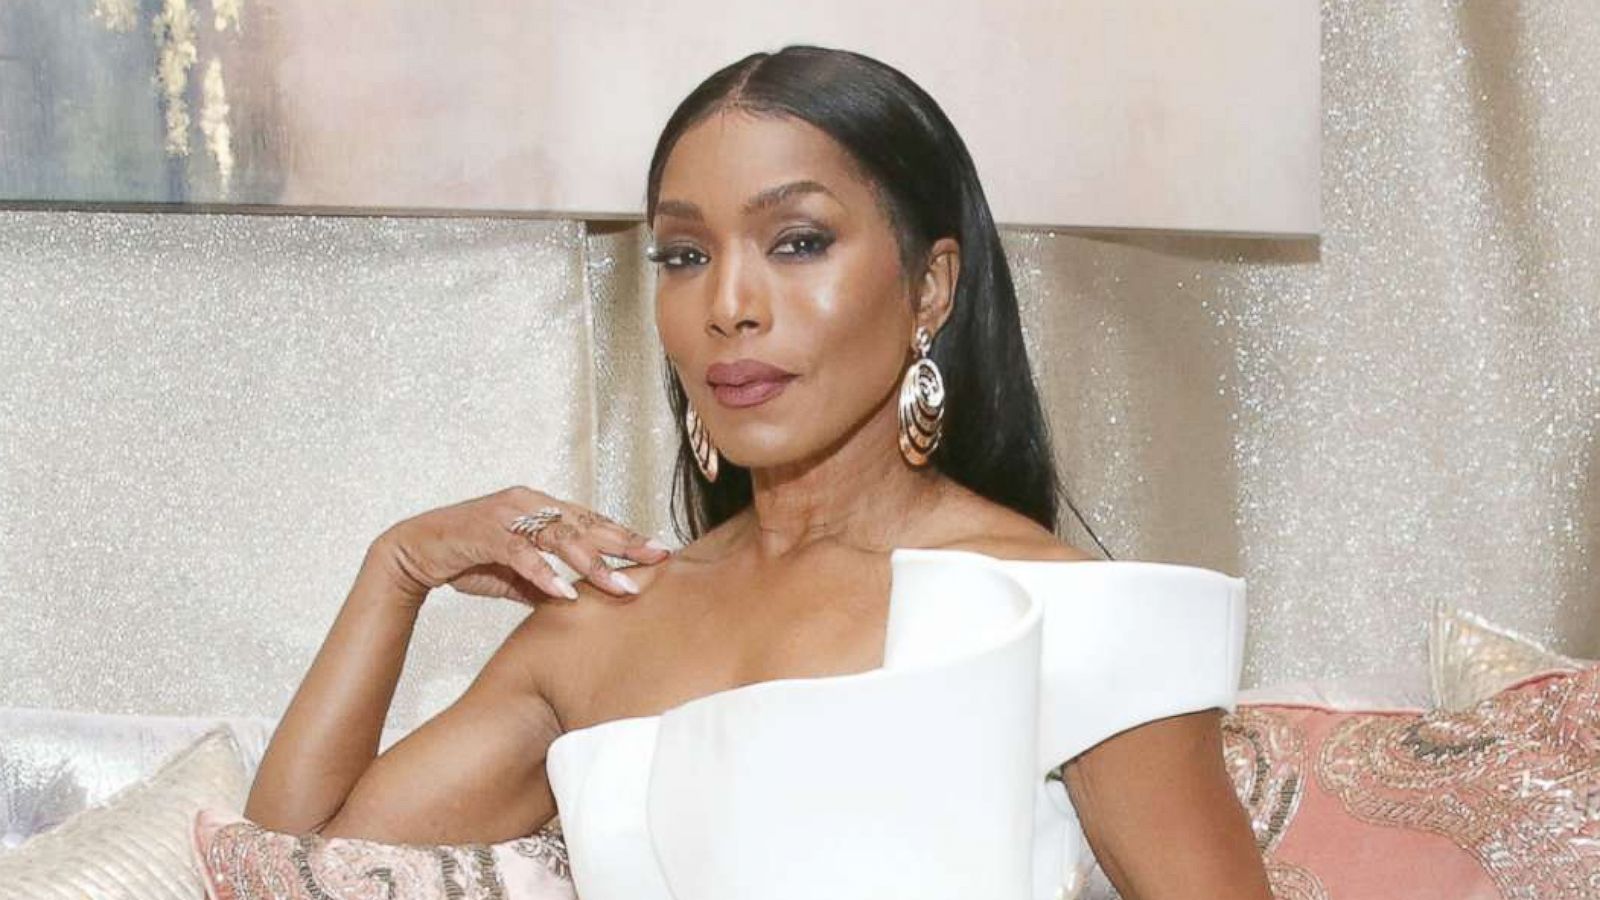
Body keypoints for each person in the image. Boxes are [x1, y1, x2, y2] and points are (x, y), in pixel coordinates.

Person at [245, 45, 1272, 899]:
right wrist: (397, 569)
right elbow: (291, 870)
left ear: (930, 287)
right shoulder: (603, 624)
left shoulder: (1061, 610)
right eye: (684, 256)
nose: (728, 305)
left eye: (797, 242)